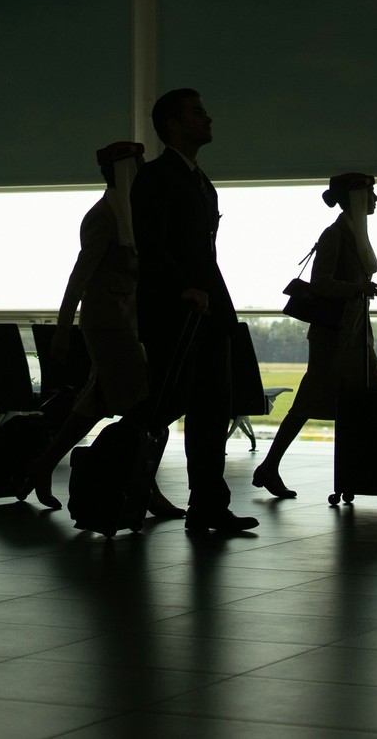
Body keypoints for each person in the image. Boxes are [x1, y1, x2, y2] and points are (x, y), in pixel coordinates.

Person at [250, 172, 377, 501]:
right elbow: (321, 282)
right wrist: (357, 288)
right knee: (313, 404)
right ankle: (270, 466)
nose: (375, 200)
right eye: (370, 194)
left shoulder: (354, 234)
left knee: (376, 403)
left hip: (354, 336)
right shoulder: (335, 236)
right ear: (355, 198)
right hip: (334, 339)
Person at [27, 142, 183, 519]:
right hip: (107, 324)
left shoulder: (132, 214)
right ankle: (145, 489)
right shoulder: (104, 217)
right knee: (142, 406)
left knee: (94, 405)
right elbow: (79, 275)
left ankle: (41, 466)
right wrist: (63, 326)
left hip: (125, 321)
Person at [130, 88, 257, 533]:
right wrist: (184, 288)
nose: (209, 118)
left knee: (211, 409)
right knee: (173, 400)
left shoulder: (200, 181)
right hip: (176, 311)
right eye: (197, 113)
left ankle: (208, 504)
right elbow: (152, 244)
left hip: (208, 307)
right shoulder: (156, 177)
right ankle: (128, 479)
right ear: (172, 126)